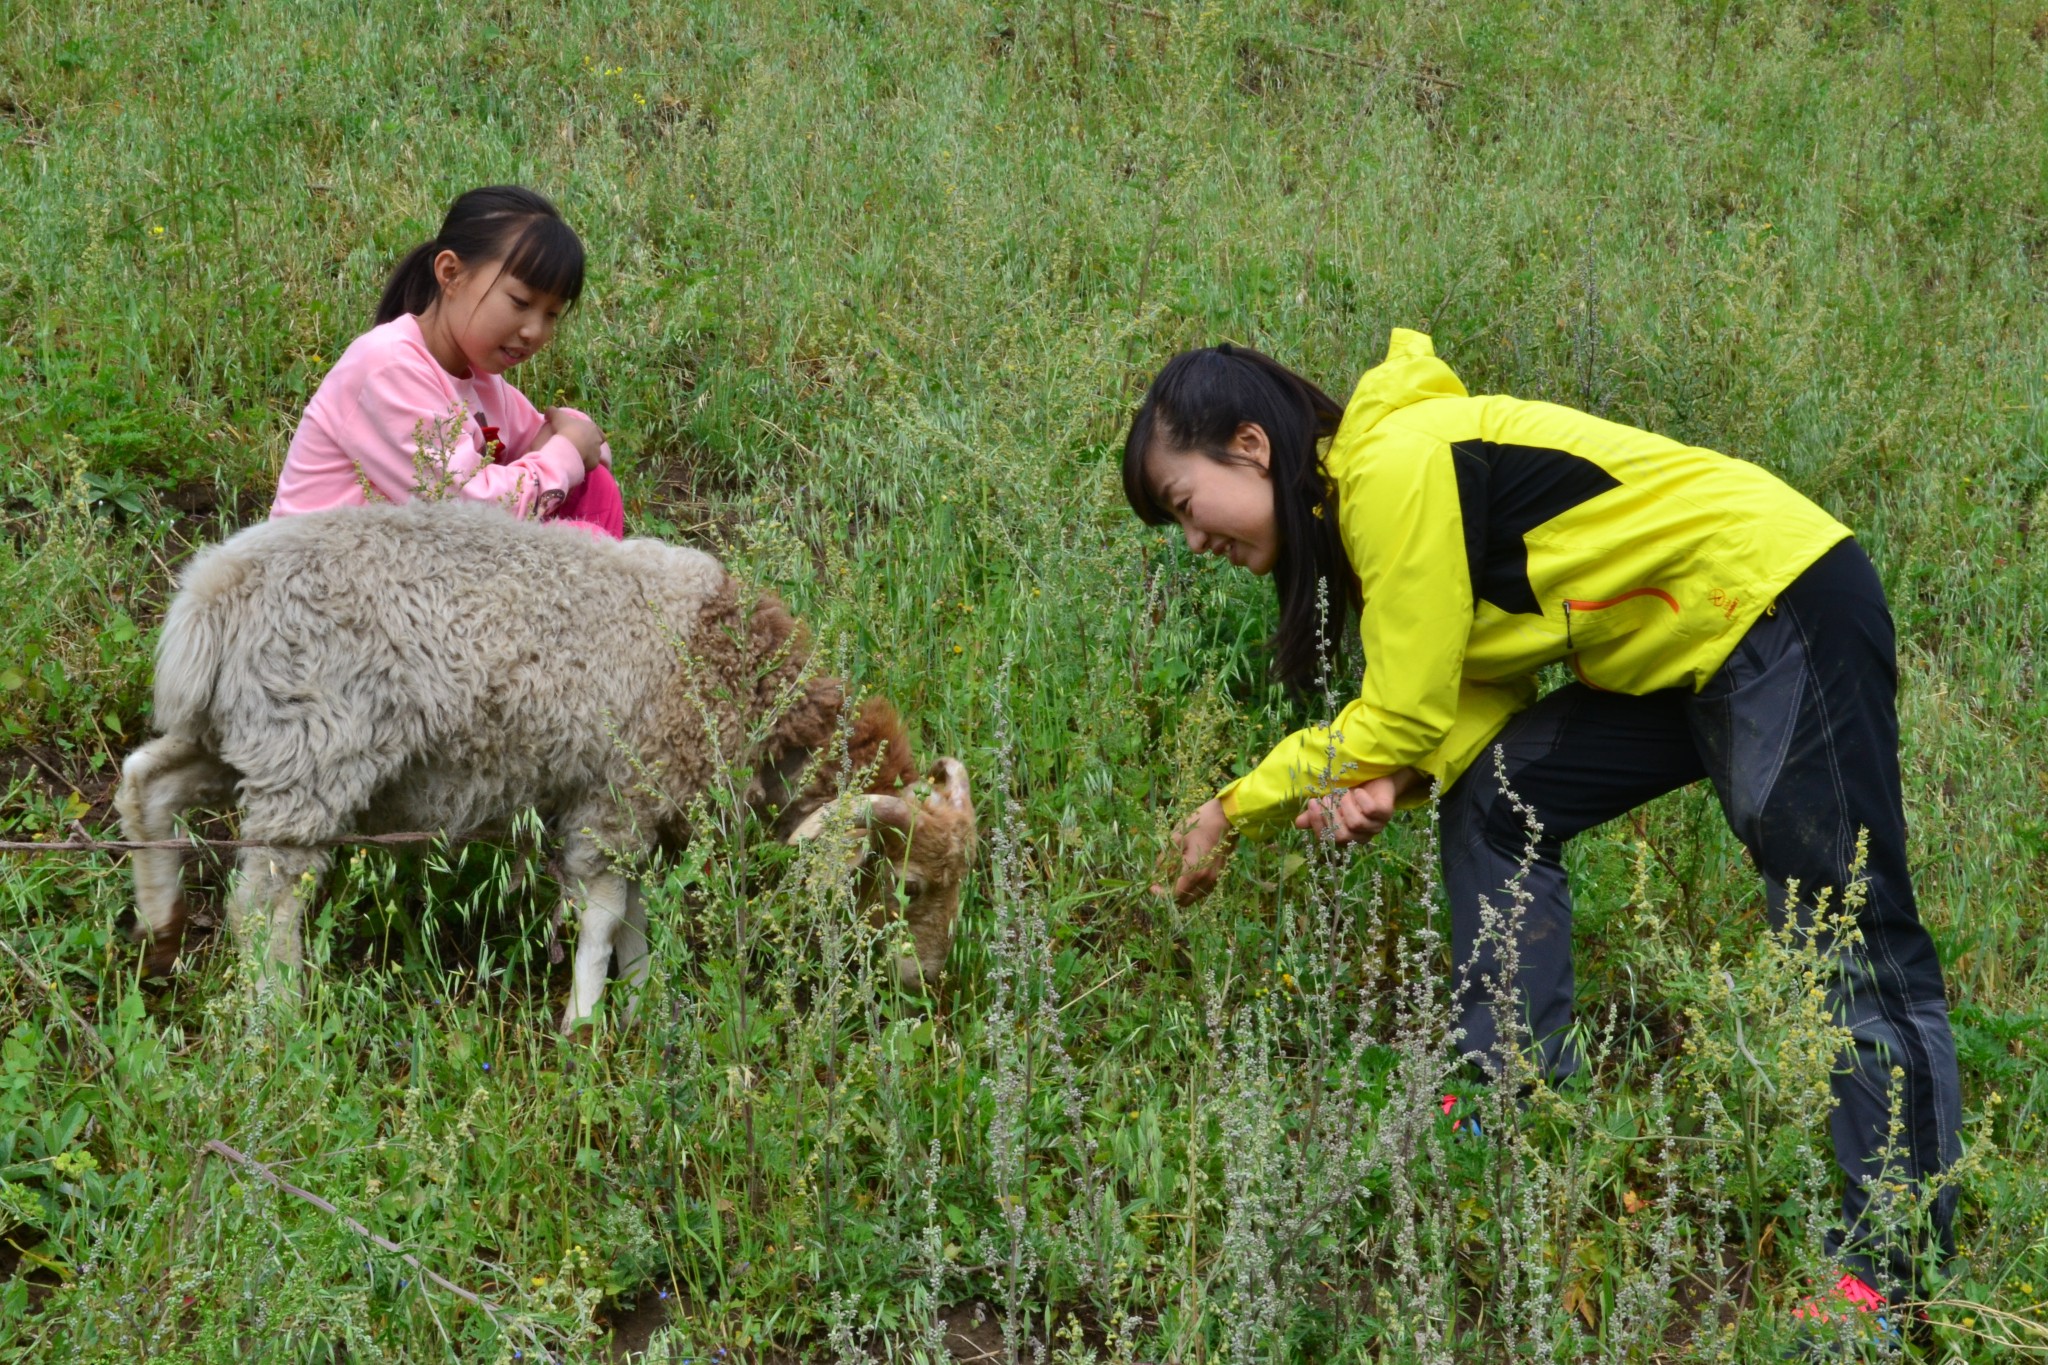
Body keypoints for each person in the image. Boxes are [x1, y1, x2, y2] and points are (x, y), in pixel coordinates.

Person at [1125, 330, 1960, 1314]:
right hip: (1679, 652)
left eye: (1184, 504)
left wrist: (1231, 809)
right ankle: (1506, 1105)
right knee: (1493, 797)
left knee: (1845, 934)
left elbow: (1401, 709)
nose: (1191, 541)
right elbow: (1469, 694)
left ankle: (1889, 1281)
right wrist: (1399, 774)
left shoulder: (1393, 469)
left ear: (1251, 446)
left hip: (1773, 603)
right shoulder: (1374, 495)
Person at [272, 185, 624, 538]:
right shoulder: (389, 366)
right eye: (520, 302)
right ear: (451, 273)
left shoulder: (482, 381)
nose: (535, 331)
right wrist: (568, 450)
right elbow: (471, 514)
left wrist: (575, 437)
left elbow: (549, 435)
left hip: (405, 571)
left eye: (552, 314)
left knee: (594, 486)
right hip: (322, 575)